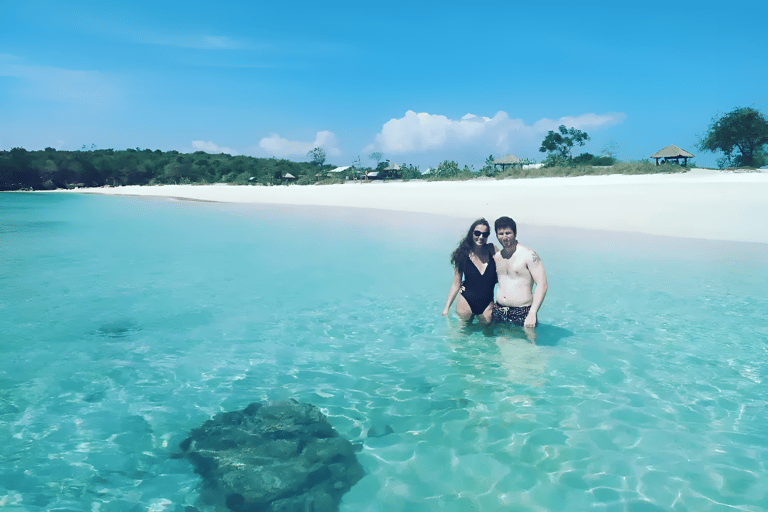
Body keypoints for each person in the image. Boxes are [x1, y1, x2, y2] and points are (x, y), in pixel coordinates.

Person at [492, 217, 547, 328]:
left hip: (522, 312)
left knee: (527, 345)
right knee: (499, 344)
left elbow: (542, 284)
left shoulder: (529, 255)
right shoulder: (497, 257)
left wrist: (532, 313)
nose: (504, 237)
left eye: (508, 233)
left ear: (515, 233)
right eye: (500, 234)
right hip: (499, 310)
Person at [442, 219, 497, 323]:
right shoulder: (462, 254)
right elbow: (456, 282)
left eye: (485, 234)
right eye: (477, 233)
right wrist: (446, 308)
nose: (481, 237)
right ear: (471, 233)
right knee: (462, 335)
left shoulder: (492, 249)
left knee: (488, 335)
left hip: (487, 303)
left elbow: (505, 269)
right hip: (466, 300)